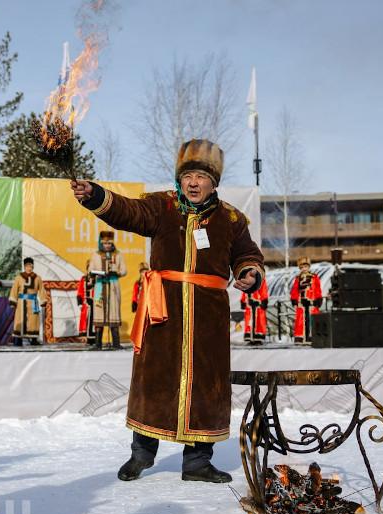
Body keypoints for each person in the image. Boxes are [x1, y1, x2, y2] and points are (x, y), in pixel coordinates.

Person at [71, 138, 264, 483]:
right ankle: (141, 455)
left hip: (209, 316)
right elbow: (127, 211)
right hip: (164, 311)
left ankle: (197, 463)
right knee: (155, 379)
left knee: (206, 384)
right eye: (188, 174)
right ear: (180, 178)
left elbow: (247, 253)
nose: (193, 182)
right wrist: (96, 195)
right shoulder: (161, 207)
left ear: (213, 182)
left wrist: (249, 271)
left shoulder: (231, 218)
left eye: (201, 176)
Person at [88, 230, 127, 350]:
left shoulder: (118, 254)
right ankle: (98, 343)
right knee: (99, 313)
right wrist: (96, 273)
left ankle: (116, 343)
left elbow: (124, 270)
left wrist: (116, 272)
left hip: (113, 285)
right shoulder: (96, 255)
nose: (107, 245)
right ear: (101, 243)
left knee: (113, 312)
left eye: (109, 243)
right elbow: (90, 270)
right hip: (100, 285)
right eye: (105, 243)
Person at [9, 257, 48, 346]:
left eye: (30, 266)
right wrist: (13, 301)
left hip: (33, 301)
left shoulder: (37, 278)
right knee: (20, 319)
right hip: (21, 302)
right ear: (24, 266)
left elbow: (41, 290)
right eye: (27, 266)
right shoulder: (19, 277)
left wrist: (43, 301)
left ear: (33, 266)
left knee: (33, 320)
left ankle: (33, 339)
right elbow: (14, 289)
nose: (29, 268)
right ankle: (18, 339)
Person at [290, 257, 322, 343]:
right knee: (301, 321)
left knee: (312, 320)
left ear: (309, 267)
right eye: (302, 267)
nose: (304, 269)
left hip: (312, 302)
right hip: (302, 303)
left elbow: (318, 289)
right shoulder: (298, 278)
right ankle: (302, 338)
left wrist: (318, 298)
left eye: (306, 267)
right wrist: (294, 300)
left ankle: (313, 337)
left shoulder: (314, 277)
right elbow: (294, 290)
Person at [241, 273, 268, 345]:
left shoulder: (261, 279)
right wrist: (243, 300)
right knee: (249, 321)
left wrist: (264, 300)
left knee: (259, 320)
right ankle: (250, 338)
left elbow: (263, 290)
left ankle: (258, 338)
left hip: (258, 303)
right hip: (249, 304)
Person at [76, 261, 96, 344]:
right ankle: (85, 338)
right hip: (85, 304)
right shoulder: (83, 279)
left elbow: (98, 292)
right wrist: (80, 302)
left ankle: (93, 338)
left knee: (94, 321)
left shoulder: (97, 279)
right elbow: (80, 290)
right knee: (85, 320)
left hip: (95, 303)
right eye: (89, 268)